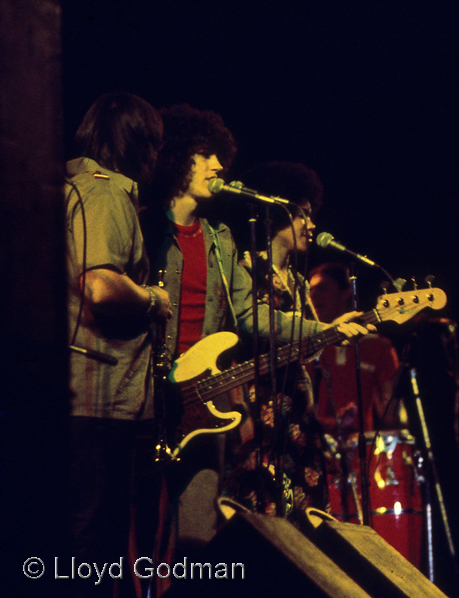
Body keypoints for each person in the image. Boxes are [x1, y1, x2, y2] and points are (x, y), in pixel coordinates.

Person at [142, 107, 371, 555]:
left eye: (219, 157)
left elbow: (252, 316)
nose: (218, 166)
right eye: (205, 155)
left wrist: (325, 329)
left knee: (195, 539)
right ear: (175, 157)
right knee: (131, 534)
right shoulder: (146, 225)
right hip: (142, 402)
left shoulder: (220, 240)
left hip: (202, 411)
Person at [64, 92, 172, 597]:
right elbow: (101, 283)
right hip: (102, 398)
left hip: (87, 396)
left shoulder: (75, 185)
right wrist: (153, 298)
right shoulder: (106, 193)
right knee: (97, 543)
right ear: (140, 144)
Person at [221, 161, 356, 523]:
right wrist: (321, 330)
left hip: (297, 410)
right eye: (303, 215)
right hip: (258, 404)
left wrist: (339, 330)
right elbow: (255, 325)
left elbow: (311, 343)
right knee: (259, 513)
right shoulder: (246, 267)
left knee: (300, 514)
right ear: (279, 214)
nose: (311, 226)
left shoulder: (297, 281)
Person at [308, 262, 403, 436]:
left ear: (346, 292)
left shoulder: (379, 346)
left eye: (322, 288)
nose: (313, 295)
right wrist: (324, 424)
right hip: (310, 448)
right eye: (310, 290)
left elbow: (391, 416)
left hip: (359, 453)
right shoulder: (305, 344)